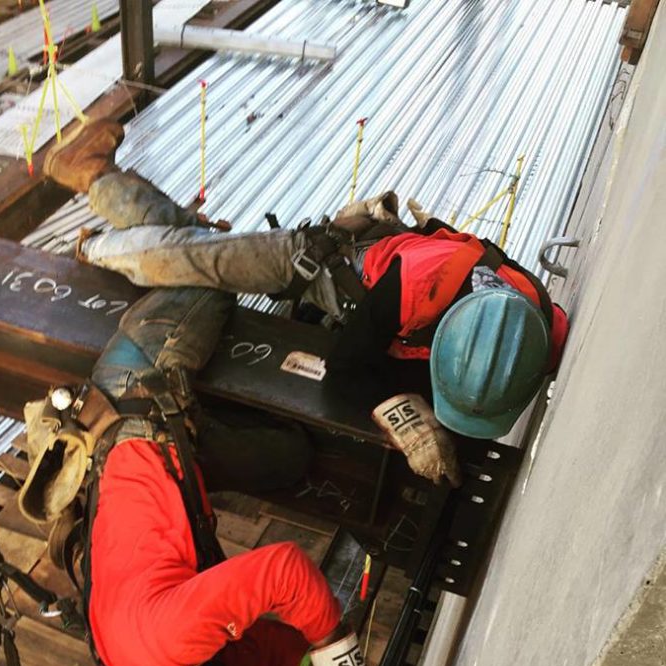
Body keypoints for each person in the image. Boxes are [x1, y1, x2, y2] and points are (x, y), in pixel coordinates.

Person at [18, 119, 388, 666]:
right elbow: (262, 650)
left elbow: (282, 572)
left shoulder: (163, 647)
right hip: (171, 466)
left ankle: (100, 219)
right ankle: (102, 187)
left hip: (138, 389)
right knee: (288, 455)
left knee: (215, 282)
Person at [45, 119, 568, 491]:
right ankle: (92, 217)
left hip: (382, 271)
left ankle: (98, 178)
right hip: (323, 262)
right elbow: (345, 373)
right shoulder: (416, 288)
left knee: (196, 240)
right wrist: (411, 424)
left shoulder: (536, 322)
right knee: (195, 260)